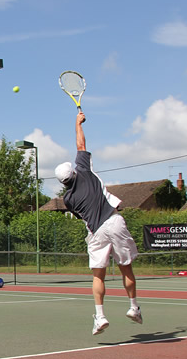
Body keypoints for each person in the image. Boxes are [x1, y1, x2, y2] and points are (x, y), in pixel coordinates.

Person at [54, 111, 142, 335]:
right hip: (114, 221)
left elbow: (81, 215)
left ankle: (100, 316)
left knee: (98, 275)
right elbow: (81, 142)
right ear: (73, 171)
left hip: (96, 231)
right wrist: (77, 123)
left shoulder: (68, 199)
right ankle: (133, 308)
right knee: (126, 269)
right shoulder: (85, 170)